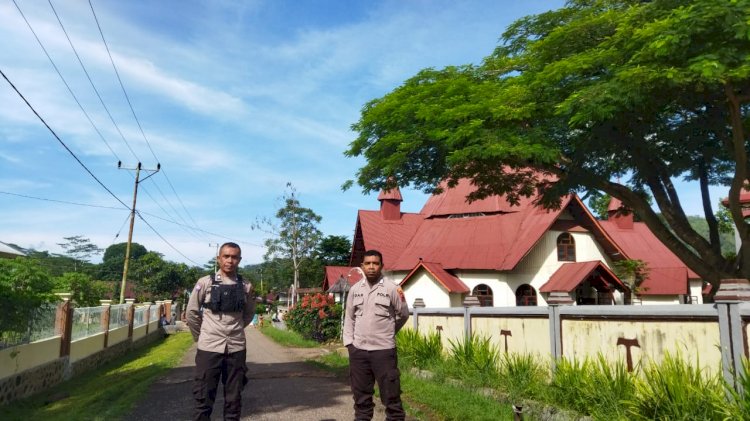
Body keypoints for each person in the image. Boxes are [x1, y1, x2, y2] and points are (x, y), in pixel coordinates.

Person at [187, 242, 255, 421]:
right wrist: (201, 337)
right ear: (219, 258)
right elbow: (192, 312)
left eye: (234, 257)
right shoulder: (205, 282)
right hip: (209, 348)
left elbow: (248, 314)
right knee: (203, 397)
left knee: (234, 399)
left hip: (236, 348)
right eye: (226, 256)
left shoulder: (246, 286)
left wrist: (236, 328)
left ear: (239, 260)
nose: (230, 261)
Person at [343, 249, 410, 420]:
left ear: (381, 266)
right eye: (368, 263)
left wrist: (389, 332)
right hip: (358, 352)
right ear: (362, 266)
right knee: (361, 399)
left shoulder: (392, 288)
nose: (371, 267)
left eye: (375, 263)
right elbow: (349, 318)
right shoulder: (355, 290)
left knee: (392, 399)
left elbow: (403, 314)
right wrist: (350, 344)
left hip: (384, 352)